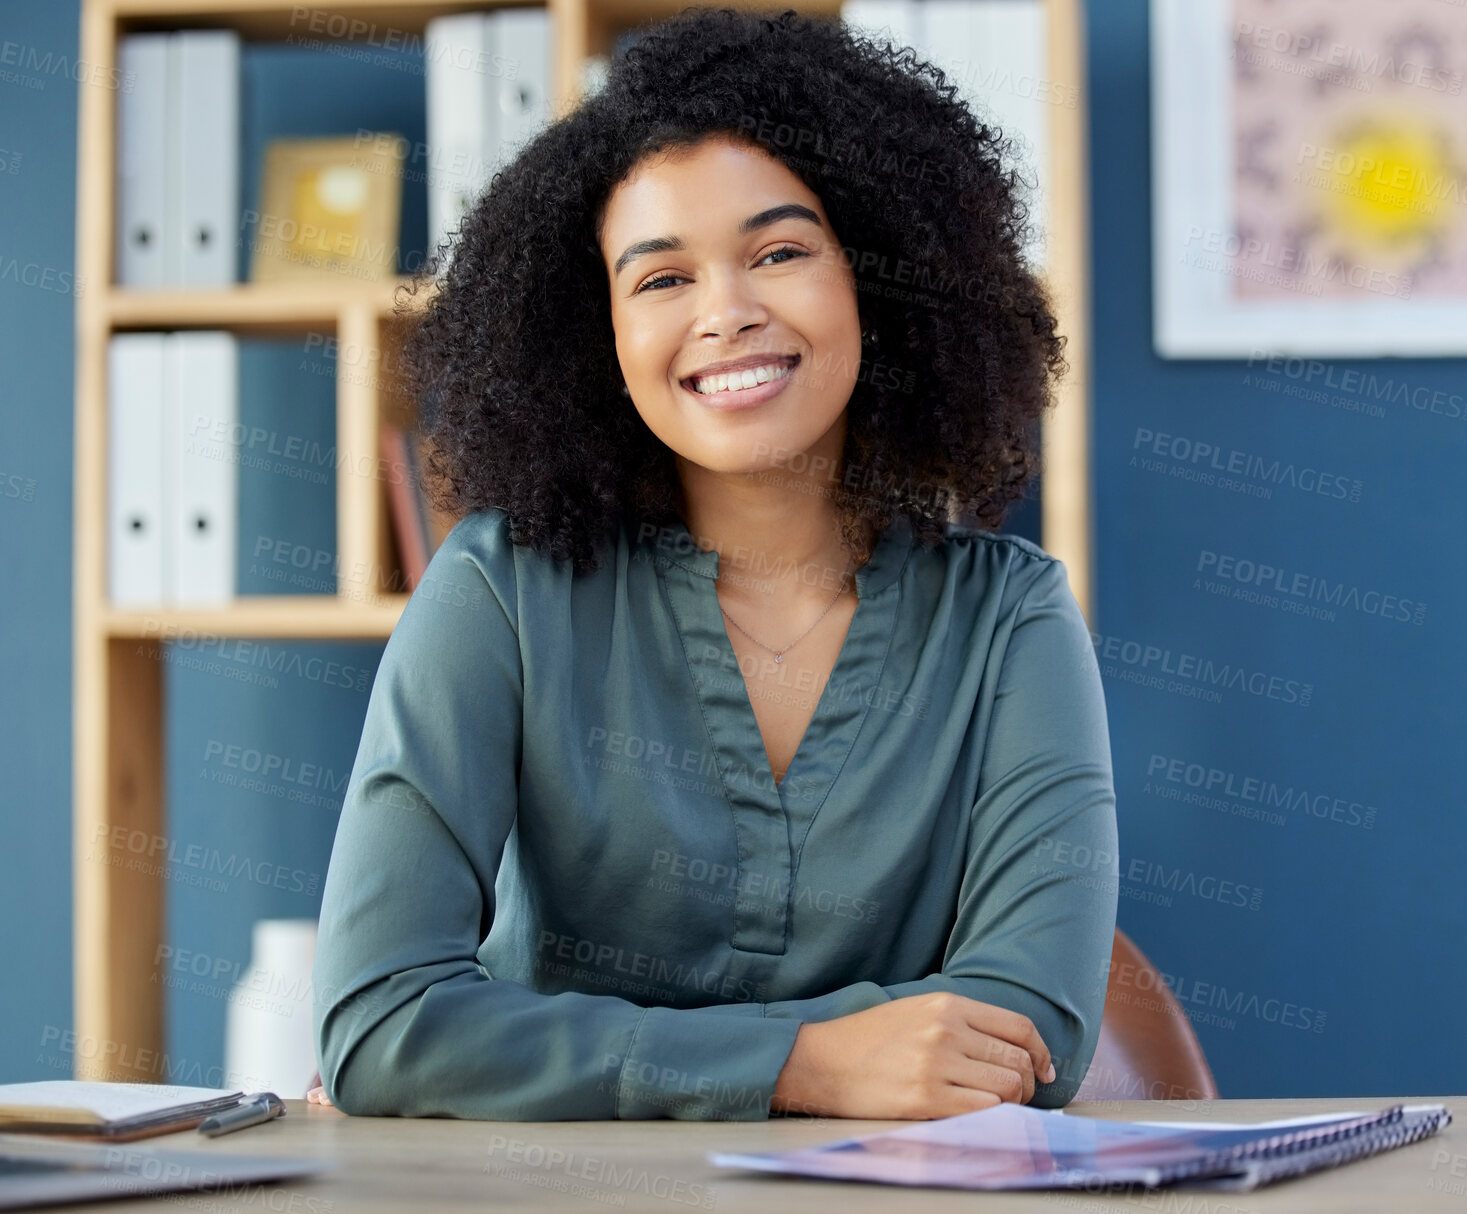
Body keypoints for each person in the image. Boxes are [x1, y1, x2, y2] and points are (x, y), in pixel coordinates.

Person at [310, 4, 1118, 1122]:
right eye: (659, 279)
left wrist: (518, 1046)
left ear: (877, 284)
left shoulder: (1010, 618)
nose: (725, 312)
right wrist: (809, 1063)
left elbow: (1027, 1035)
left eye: (778, 252)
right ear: (597, 336)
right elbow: (379, 1022)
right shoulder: (496, 590)